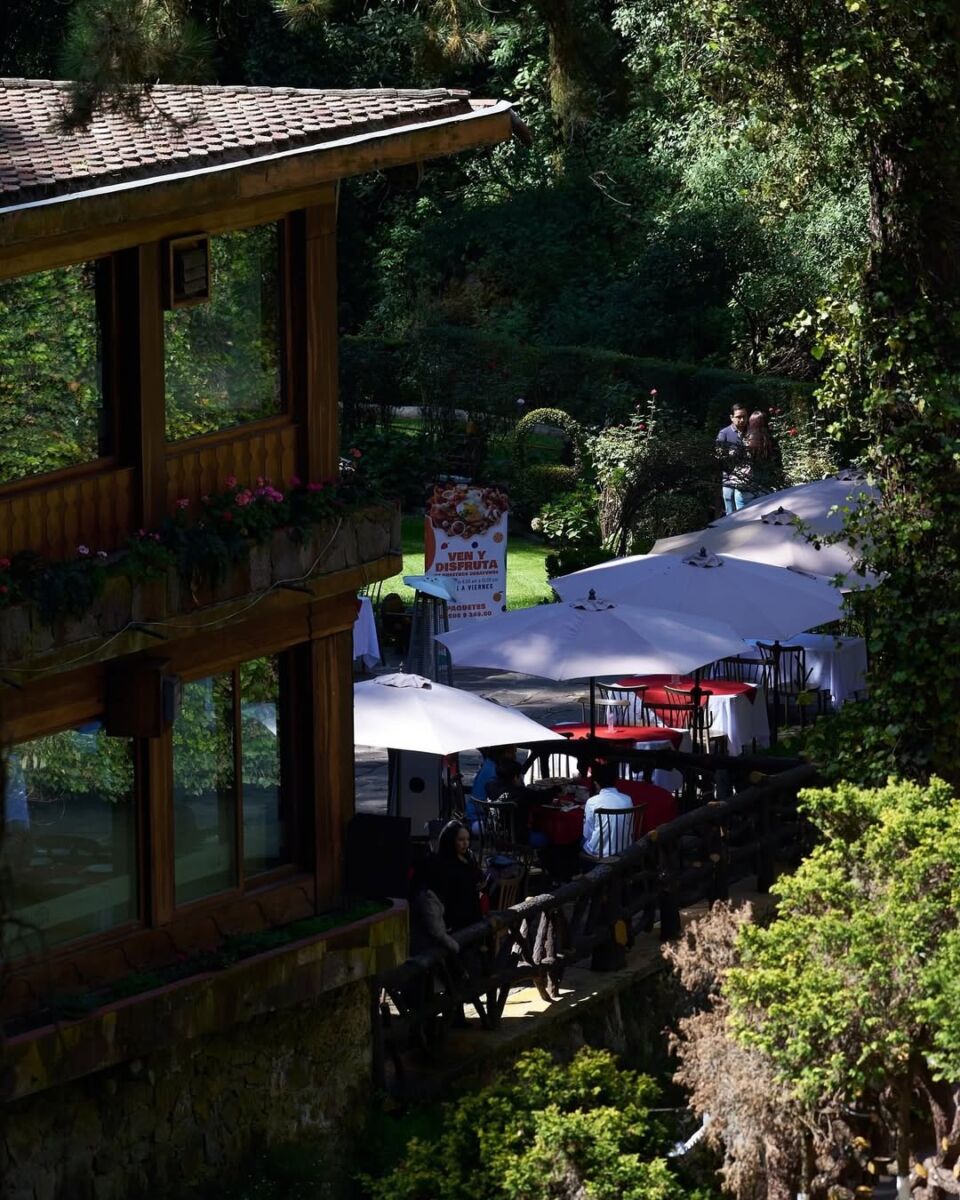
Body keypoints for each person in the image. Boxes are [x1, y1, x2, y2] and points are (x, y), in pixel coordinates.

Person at [433, 819, 484, 932]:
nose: (466, 843)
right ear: (451, 840)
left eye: (467, 839)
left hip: (473, 912)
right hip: (455, 917)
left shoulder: (469, 857)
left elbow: (477, 876)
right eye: (461, 840)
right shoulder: (443, 863)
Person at [581, 762, 636, 858]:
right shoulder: (628, 799)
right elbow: (630, 830)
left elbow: (587, 834)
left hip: (600, 854)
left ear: (596, 783)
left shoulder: (592, 802)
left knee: (580, 841)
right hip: (625, 848)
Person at [715, 403, 753, 514]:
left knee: (747, 512)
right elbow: (719, 455)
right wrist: (731, 454)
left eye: (744, 416)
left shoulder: (751, 432)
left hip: (748, 479)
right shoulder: (724, 433)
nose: (742, 420)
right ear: (731, 417)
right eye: (738, 417)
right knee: (731, 513)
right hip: (729, 478)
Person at [744, 410, 783, 496]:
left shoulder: (747, 441)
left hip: (749, 484)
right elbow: (778, 463)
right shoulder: (771, 441)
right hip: (768, 483)